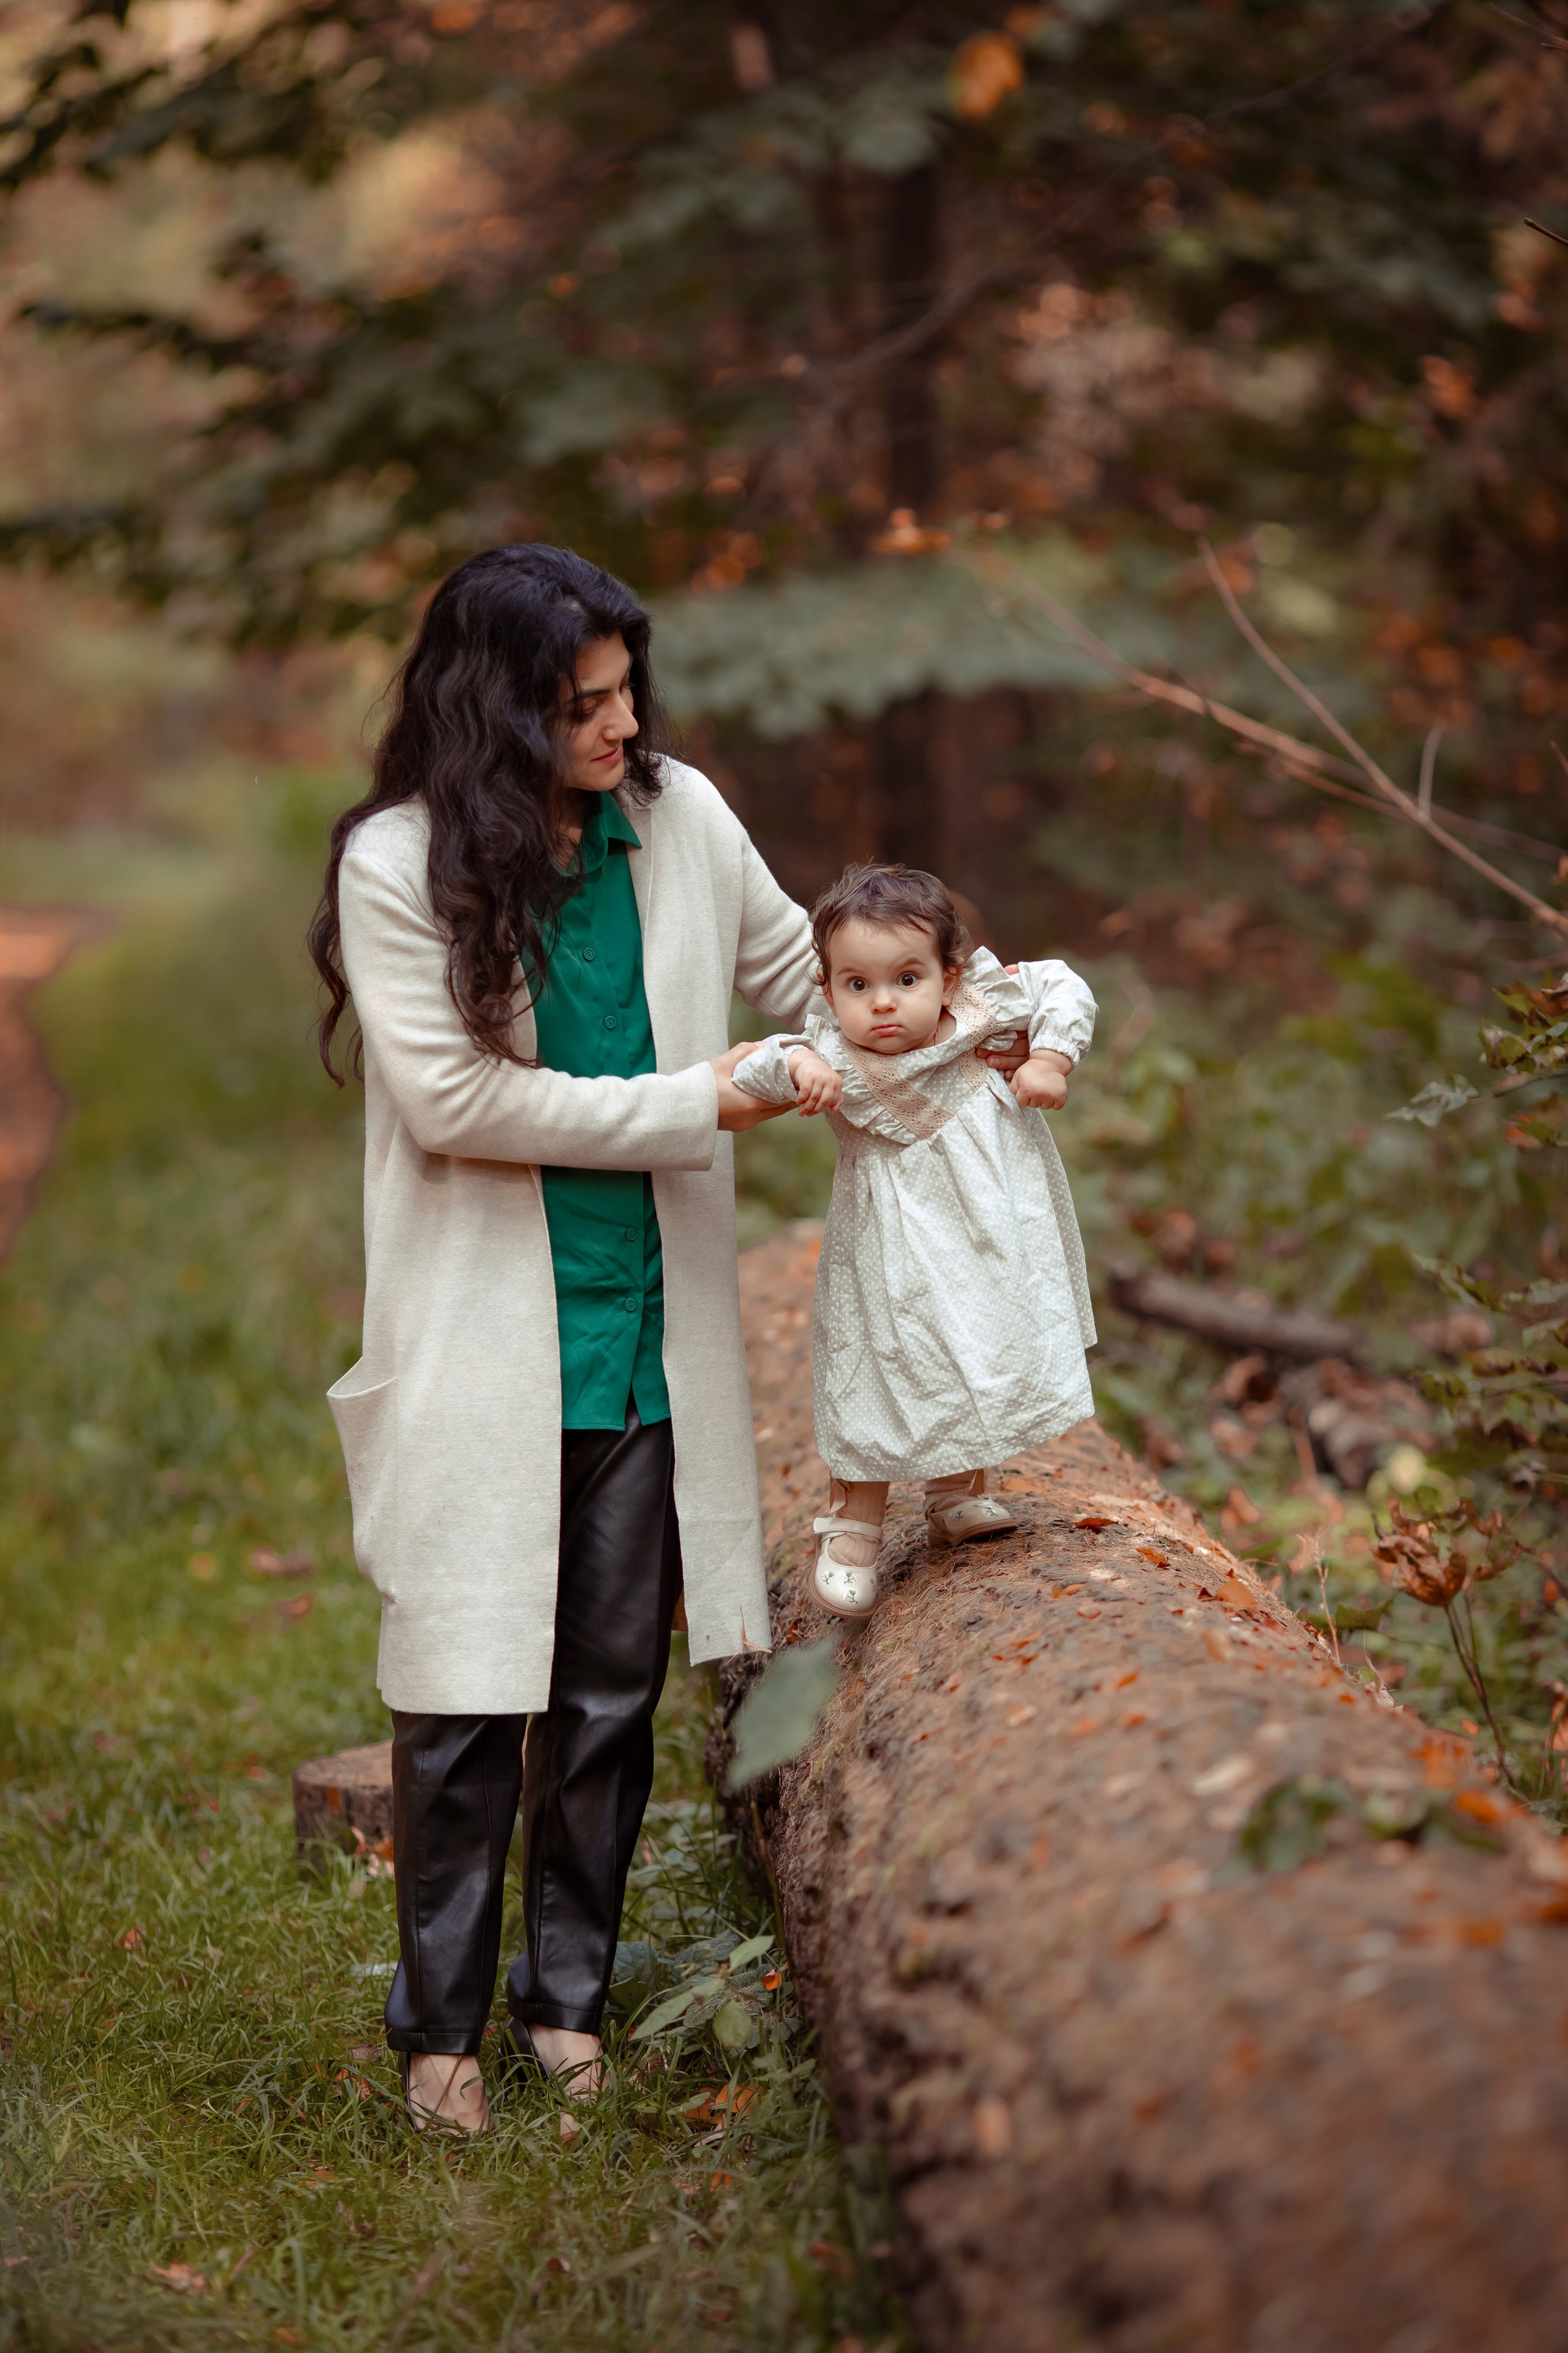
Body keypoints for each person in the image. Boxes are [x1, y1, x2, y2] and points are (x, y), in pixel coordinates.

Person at [309, 545, 1028, 2132]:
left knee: (611, 1687)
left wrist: (987, 1013)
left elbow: (805, 976)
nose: (624, 726)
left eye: (630, 690)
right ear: (496, 713)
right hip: (489, 1333)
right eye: (584, 704)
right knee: (461, 1696)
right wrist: (708, 1096)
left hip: (649, 1330)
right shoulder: (400, 863)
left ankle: (567, 2002)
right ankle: (438, 2030)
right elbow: (455, 1103)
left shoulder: (677, 818)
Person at [732, 861, 1098, 1618]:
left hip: (984, 1232)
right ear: (828, 988)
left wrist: (1050, 1055)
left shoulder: (982, 1006)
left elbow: (1063, 983)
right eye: (857, 985)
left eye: (906, 978)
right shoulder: (831, 1050)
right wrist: (796, 1060)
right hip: (888, 1250)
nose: (884, 1003)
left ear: (947, 973)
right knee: (887, 1357)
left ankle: (957, 1487)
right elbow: (762, 1064)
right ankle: (852, 1527)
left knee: (975, 1339)